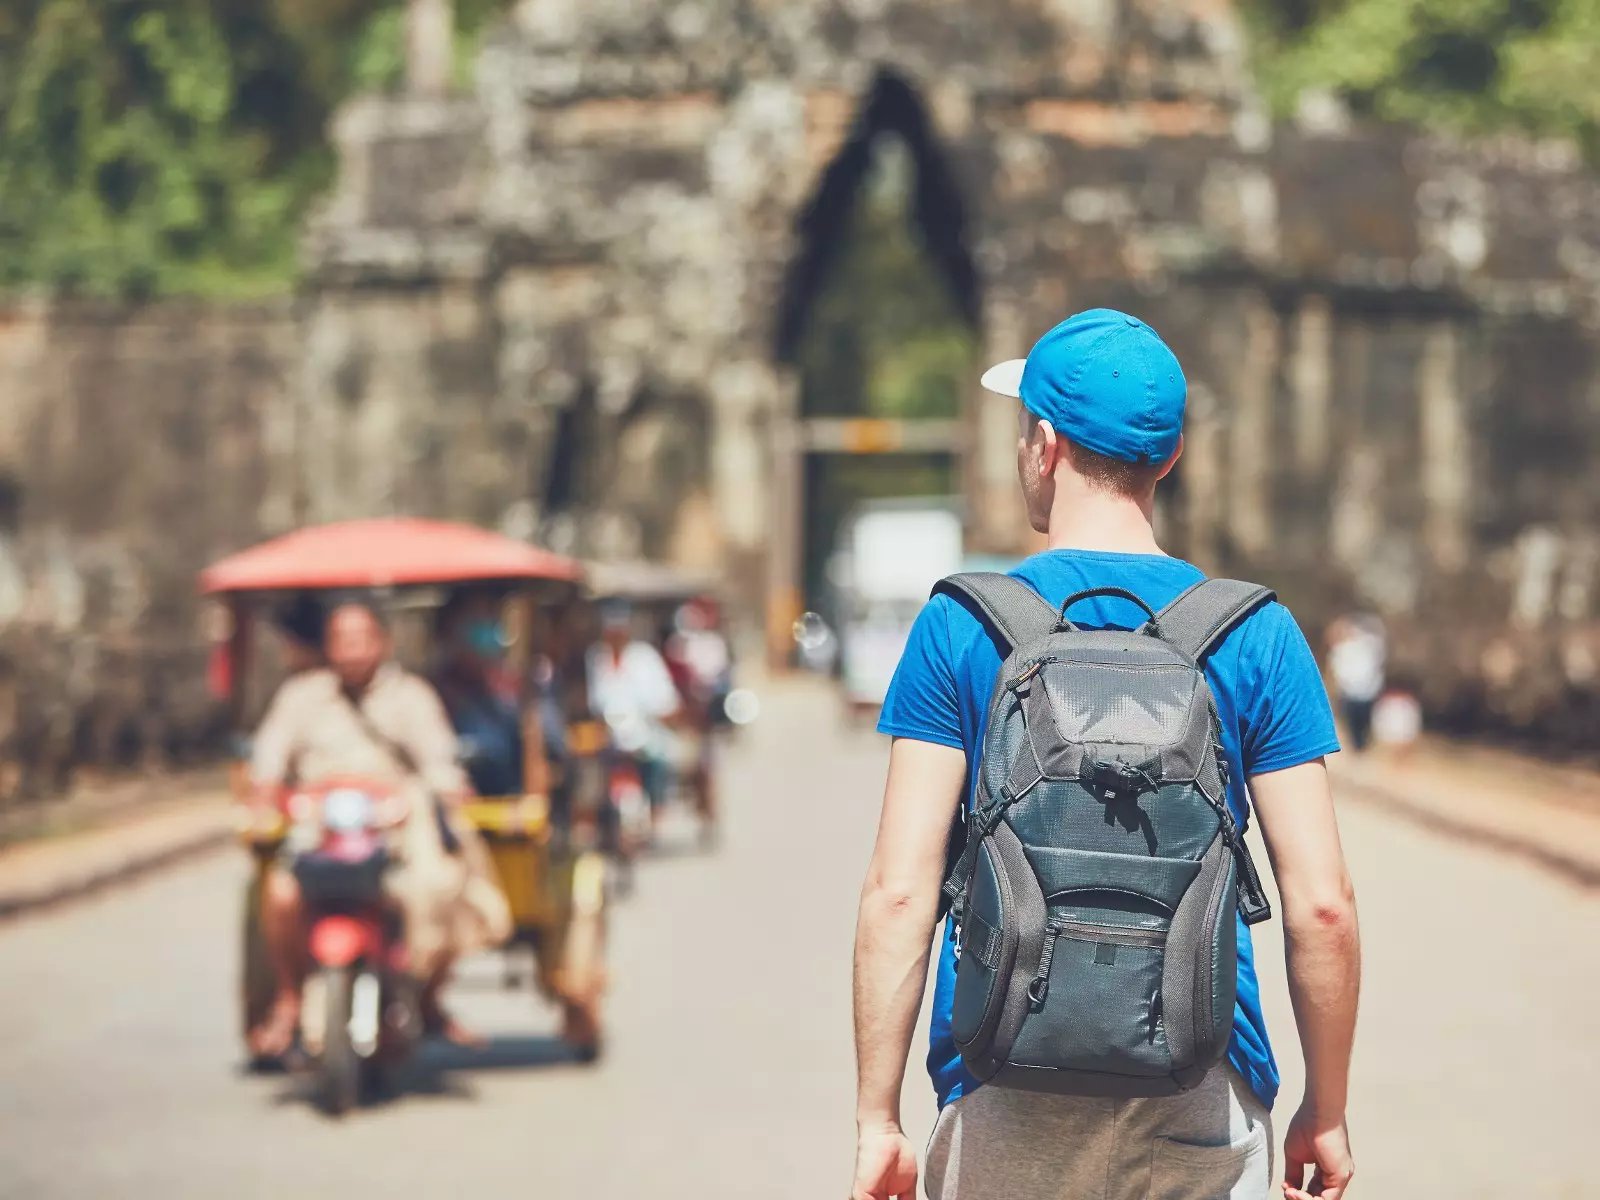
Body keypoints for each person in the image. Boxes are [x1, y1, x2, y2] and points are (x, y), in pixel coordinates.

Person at [851, 310, 1361, 1200]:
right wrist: (1328, 1105)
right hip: (1200, 1079)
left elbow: (900, 891)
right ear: (1168, 459)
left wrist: (878, 1118)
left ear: (1042, 447)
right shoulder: (1255, 633)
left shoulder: (962, 624)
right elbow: (1322, 907)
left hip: (1001, 1079)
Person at [246, 599, 511, 1058]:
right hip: (322, 822)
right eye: (341, 641)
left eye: (360, 640)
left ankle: (426, 996)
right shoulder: (301, 697)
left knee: (441, 888)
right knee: (281, 893)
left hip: (397, 824)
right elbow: (269, 758)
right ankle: (289, 998)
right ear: (328, 647)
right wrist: (265, 791)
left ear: (382, 643)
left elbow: (439, 762)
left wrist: (448, 789)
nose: (351, 652)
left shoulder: (411, 696)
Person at [586, 598, 682, 823]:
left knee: (657, 765)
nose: (615, 634)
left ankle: (656, 808)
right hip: (611, 741)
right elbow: (595, 703)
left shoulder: (644, 658)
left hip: (646, 738)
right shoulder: (596, 658)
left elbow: (664, 700)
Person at [1326, 612, 1387, 753]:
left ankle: (1362, 750)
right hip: (1350, 694)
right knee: (1353, 729)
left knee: (1365, 728)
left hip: (1367, 693)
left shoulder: (1366, 643)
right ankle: (1357, 751)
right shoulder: (1339, 650)